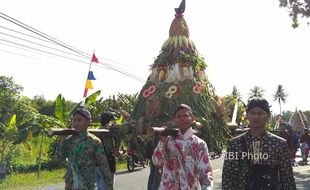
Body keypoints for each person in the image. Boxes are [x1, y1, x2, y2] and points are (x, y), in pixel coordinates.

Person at [222, 98, 296, 190]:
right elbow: (228, 177)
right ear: (247, 115)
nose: (256, 117)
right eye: (252, 113)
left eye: (260, 113)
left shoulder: (279, 144)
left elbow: (287, 178)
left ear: (268, 116)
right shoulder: (235, 144)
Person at [152, 104, 213, 189]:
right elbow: (156, 162)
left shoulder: (199, 144)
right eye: (178, 116)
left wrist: (206, 188)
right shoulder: (167, 141)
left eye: (186, 115)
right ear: (175, 120)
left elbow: (205, 172)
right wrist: (162, 141)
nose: (182, 118)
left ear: (192, 119)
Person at [57, 108, 114, 190]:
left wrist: (109, 186)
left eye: (79, 120)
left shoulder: (94, 141)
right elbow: (59, 158)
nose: (76, 123)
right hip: (71, 186)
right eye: (74, 120)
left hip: (87, 185)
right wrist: (61, 141)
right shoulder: (69, 141)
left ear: (88, 122)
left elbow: (103, 166)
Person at [96, 111, 121, 190]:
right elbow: (117, 138)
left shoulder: (98, 131)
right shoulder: (111, 129)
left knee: (100, 186)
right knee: (107, 186)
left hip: (97, 161)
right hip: (107, 161)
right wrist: (117, 148)